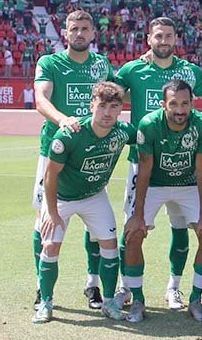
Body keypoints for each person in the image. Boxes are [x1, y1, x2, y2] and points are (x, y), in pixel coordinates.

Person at [113, 17, 202, 310]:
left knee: (181, 229)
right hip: (143, 163)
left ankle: (174, 288)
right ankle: (126, 288)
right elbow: (108, 95)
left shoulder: (189, 72)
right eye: (158, 36)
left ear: (175, 39)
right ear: (149, 39)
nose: (163, 41)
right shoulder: (133, 69)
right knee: (131, 228)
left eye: (168, 35)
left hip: (184, 169)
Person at [32, 10, 115, 312]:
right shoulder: (50, 63)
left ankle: (93, 283)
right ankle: (43, 289)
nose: (79, 34)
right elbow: (41, 99)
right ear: (65, 33)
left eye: (85, 29)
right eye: (74, 29)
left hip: (91, 153)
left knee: (94, 223)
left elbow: (118, 93)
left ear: (94, 33)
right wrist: (62, 119)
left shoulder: (102, 65)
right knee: (44, 221)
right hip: (54, 152)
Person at [33, 81, 133, 324]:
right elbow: (50, 174)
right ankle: (45, 302)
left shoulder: (123, 132)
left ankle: (109, 302)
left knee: (109, 245)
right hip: (61, 198)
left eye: (113, 107)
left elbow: (148, 138)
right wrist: (53, 213)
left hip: (94, 196)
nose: (107, 113)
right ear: (91, 106)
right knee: (50, 246)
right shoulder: (70, 134)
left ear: (121, 109)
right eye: (102, 106)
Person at [122, 80, 202, 323]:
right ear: (163, 104)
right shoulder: (150, 124)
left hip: (188, 185)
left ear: (192, 103)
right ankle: (138, 299)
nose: (180, 110)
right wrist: (138, 214)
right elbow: (144, 169)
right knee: (133, 234)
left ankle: (195, 299)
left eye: (185, 103)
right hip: (154, 184)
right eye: (173, 104)